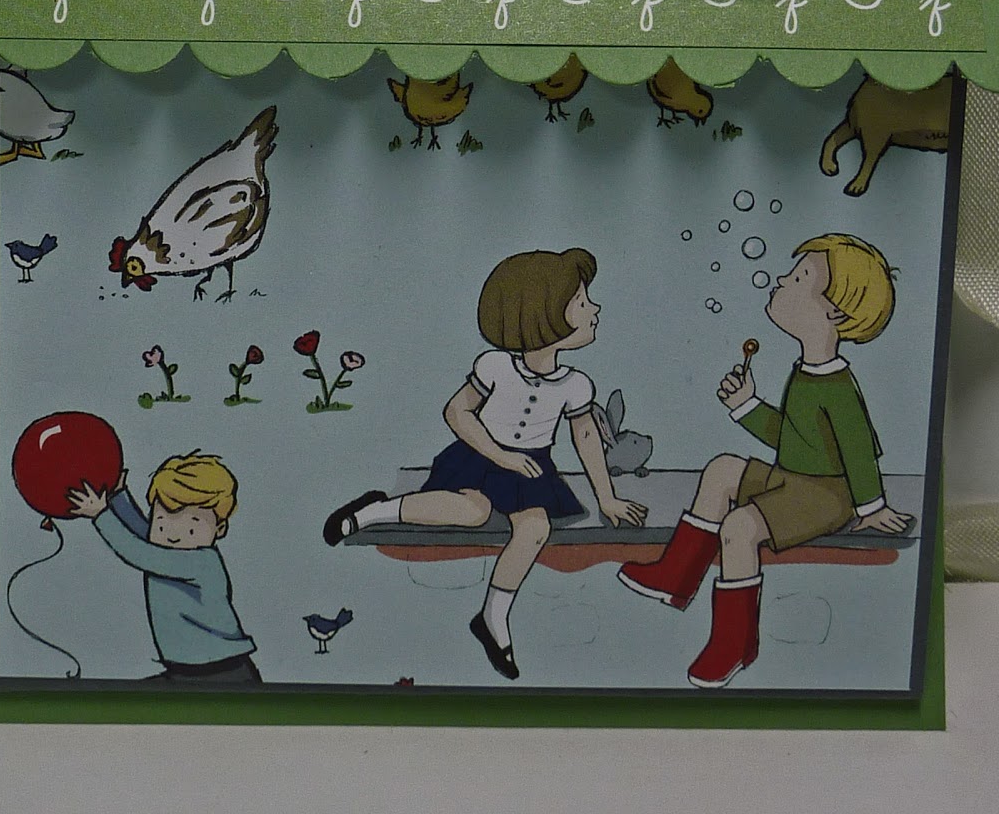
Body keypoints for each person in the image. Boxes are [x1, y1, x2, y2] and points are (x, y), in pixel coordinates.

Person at [322, 247, 648, 680]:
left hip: (531, 469)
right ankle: (373, 511)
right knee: (473, 511)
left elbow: (586, 438)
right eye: (582, 302)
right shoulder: (496, 366)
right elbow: (457, 412)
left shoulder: (575, 385)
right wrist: (501, 455)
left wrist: (606, 498)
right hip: (479, 458)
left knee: (535, 527)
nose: (595, 309)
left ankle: (494, 616)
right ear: (544, 315)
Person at [618, 234, 914, 689]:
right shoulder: (806, 371)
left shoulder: (837, 385)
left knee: (740, 528)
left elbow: (858, 452)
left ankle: (735, 642)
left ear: (835, 312)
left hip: (827, 497)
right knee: (721, 468)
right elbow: (793, 441)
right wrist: (747, 404)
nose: (782, 280)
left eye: (799, 278)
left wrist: (872, 508)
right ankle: (675, 576)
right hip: (794, 479)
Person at [67, 449, 261, 685]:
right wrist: (118, 496)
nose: (173, 535)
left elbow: (139, 552)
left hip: (222, 673)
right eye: (161, 522)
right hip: (185, 672)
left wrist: (101, 514)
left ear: (219, 529)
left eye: (191, 528)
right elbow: (144, 534)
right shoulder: (171, 550)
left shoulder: (200, 563)